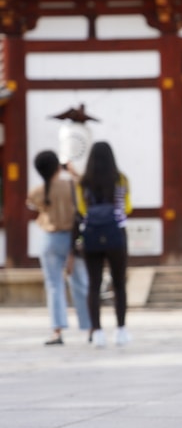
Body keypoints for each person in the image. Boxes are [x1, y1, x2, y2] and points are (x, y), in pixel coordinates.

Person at [26, 150, 92, 346]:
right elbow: (86, 187)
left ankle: (57, 330)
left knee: (54, 285)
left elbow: (31, 204)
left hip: (50, 239)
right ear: (57, 166)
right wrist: (72, 171)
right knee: (80, 282)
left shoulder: (38, 190)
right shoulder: (71, 184)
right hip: (72, 239)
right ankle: (89, 327)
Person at [76, 141, 132, 348]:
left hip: (92, 234)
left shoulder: (83, 183)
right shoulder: (120, 179)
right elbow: (127, 206)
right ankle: (121, 329)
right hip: (116, 232)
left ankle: (97, 332)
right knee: (118, 283)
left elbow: (81, 211)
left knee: (94, 284)